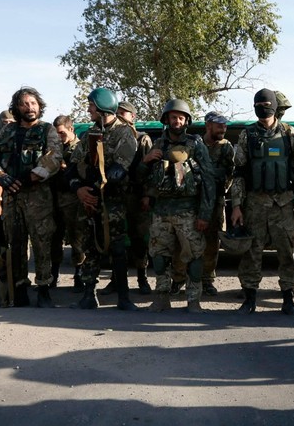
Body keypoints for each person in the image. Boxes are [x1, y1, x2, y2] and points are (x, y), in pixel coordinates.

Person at [231, 89, 294, 316]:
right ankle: (249, 300)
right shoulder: (247, 135)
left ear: (274, 106)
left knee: (286, 252)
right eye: (258, 105)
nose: (263, 109)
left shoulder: (288, 133)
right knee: (251, 252)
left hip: (283, 205)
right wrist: (236, 206)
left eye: (266, 104)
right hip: (254, 204)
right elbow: (239, 173)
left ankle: (288, 300)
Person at [66, 89, 140, 311]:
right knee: (90, 247)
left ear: (102, 107)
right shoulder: (89, 134)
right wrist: (79, 189)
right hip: (89, 200)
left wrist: (93, 191)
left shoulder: (124, 133)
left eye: (91, 105)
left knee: (117, 248)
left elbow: (119, 170)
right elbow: (72, 167)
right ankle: (89, 295)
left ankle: (123, 297)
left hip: (112, 201)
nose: (89, 109)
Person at [0, 87, 62, 307]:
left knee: (42, 242)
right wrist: (0, 175)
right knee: (15, 242)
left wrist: (31, 176)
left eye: (33, 103)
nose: (29, 107)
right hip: (11, 196)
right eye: (24, 104)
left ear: (39, 106)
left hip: (38, 196)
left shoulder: (47, 130)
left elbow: (54, 157)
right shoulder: (6, 132)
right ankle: (19, 287)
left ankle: (43, 289)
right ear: (16, 108)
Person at [140, 99, 215, 313]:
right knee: (159, 257)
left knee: (194, 257)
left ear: (187, 121)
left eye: (181, 118)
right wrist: (146, 160)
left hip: (188, 210)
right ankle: (162, 297)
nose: (177, 121)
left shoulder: (195, 144)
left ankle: (193, 300)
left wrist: (204, 214)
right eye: (173, 117)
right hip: (161, 211)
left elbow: (208, 180)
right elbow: (140, 177)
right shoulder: (158, 145)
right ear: (166, 119)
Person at [170, 111, 235, 296]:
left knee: (212, 242)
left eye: (224, 126)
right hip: (192, 199)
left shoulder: (226, 147)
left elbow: (230, 172)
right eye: (219, 126)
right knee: (182, 240)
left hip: (215, 202)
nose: (223, 129)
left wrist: (219, 188)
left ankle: (207, 279)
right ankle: (178, 278)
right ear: (208, 126)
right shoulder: (195, 143)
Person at [100, 100, 153, 296]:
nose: (120, 116)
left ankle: (142, 278)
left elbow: (150, 170)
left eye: (124, 113)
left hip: (136, 195)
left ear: (133, 116)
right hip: (116, 195)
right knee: (115, 238)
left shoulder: (142, 139)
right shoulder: (110, 136)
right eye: (118, 113)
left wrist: (147, 195)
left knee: (139, 239)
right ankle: (116, 279)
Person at [50, 115, 86, 290]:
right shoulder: (54, 149)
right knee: (54, 238)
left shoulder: (81, 147)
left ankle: (79, 275)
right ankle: (53, 275)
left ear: (71, 129)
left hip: (73, 199)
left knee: (77, 238)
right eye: (56, 134)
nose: (59, 137)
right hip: (55, 198)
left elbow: (85, 172)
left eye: (62, 133)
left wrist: (67, 169)